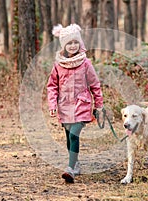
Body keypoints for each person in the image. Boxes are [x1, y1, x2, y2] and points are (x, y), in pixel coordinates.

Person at [47, 24, 103, 183]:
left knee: (74, 134)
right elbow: (52, 86)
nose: (73, 46)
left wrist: (98, 105)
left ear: (80, 43)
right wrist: (52, 104)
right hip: (64, 106)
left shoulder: (86, 63)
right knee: (68, 135)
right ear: (64, 45)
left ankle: (70, 169)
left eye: (75, 42)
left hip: (81, 105)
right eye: (69, 43)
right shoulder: (58, 65)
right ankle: (76, 163)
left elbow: (95, 84)